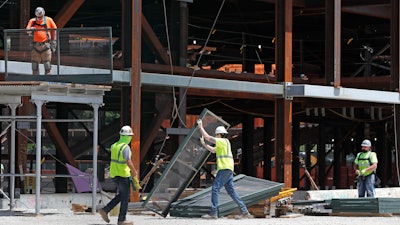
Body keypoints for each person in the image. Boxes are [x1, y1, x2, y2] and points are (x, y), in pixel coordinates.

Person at [197, 119, 252, 219]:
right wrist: (204, 144)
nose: (216, 136)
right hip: (228, 169)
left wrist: (200, 127)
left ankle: (213, 213)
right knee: (231, 192)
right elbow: (213, 150)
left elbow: (208, 137)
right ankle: (244, 211)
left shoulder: (222, 141)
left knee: (215, 189)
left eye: (216, 135)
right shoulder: (224, 143)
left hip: (224, 168)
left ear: (219, 135)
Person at [99, 125, 138, 225]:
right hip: (123, 174)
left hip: (114, 174)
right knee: (125, 197)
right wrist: (134, 172)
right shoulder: (125, 148)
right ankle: (121, 219)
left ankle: (105, 210)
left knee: (122, 195)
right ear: (128, 137)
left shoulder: (114, 145)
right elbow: (128, 161)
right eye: (130, 136)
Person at [26, 7, 57, 75]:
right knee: (35, 65)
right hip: (35, 46)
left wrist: (54, 41)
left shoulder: (49, 20)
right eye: (38, 17)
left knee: (47, 65)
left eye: (41, 16)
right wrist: (31, 29)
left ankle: (47, 82)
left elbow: (54, 29)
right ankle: (35, 82)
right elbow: (27, 31)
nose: (40, 18)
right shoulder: (32, 21)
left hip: (46, 45)